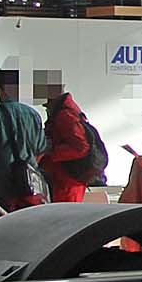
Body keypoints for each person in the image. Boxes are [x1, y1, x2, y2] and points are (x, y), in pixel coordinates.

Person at [0, 68, 47, 211]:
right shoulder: (34, 115)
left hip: (2, 186)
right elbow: (41, 150)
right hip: (30, 186)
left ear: (0, 88)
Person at [36, 71, 93, 203]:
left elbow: (81, 147)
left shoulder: (65, 115)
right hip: (66, 180)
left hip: (66, 183)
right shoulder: (67, 110)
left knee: (63, 219)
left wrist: (49, 151)